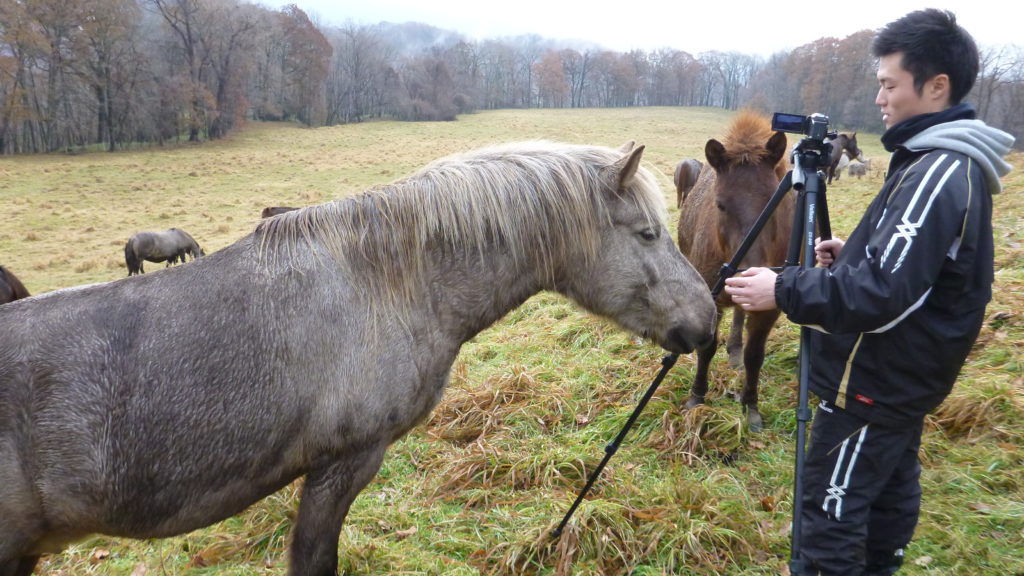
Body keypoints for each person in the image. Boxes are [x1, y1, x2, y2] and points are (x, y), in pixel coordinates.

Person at [723, 9, 1015, 576]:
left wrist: (783, 286)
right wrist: (847, 257)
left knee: (829, 514)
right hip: (905, 378)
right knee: (887, 493)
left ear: (936, 86)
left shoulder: (938, 170)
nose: (879, 98)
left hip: (874, 381)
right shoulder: (936, 162)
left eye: (888, 84)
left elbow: (880, 293)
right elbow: (912, 270)